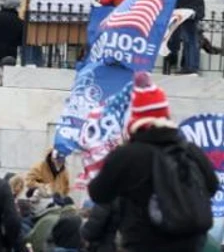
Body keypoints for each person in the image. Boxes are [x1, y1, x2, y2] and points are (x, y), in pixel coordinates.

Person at [89, 72, 218, 251]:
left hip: (144, 242)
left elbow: (98, 193)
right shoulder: (190, 150)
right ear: (166, 115)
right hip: (191, 243)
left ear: (136, 119)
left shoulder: (128, 155)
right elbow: (212, 185)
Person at [167, 0, 211, 74]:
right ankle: (188, 66)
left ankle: (192, 67)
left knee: (190, 39)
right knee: (188, 39)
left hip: (191, 10)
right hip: (186, 9)